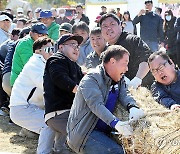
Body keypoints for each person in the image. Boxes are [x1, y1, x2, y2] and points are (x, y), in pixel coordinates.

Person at [67, 45, 145, 154]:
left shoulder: (119, 78)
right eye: (125, 64)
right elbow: (96, 105)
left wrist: (132, 106)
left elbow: (124, 94)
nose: (127, 69)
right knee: (115, 152)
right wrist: (116, 123)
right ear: (112, 61)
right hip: (85, 133)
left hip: (103, 131)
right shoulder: (91, 79)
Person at [10, 37, 56, 154]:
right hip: (22, 108)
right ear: (38, 51)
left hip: (30, 107)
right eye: (49, 49)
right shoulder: (35, 64)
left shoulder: (45, 63)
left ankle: (58, 149)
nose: (52, 52)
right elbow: (46, 86)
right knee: (49, 125)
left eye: (54, 49)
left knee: (56, 122)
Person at [43, 34, 84, 153]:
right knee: (87, 138)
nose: (76, 48)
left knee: (62, 149)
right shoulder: (56, 59)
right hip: (60, 113)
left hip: (68, 112)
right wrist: (80, 90)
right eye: (72, 45)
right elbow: (59, 78)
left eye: (77, 46)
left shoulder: (74, 65)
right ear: (61, 47)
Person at [99, 13, 152, 88]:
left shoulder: (132, 40)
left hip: (144, 87)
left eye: (112, 24)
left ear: (120, 26)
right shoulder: (105, 52)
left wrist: (137, 79)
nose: (109, 28)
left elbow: (147, 59)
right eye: (105, 26)